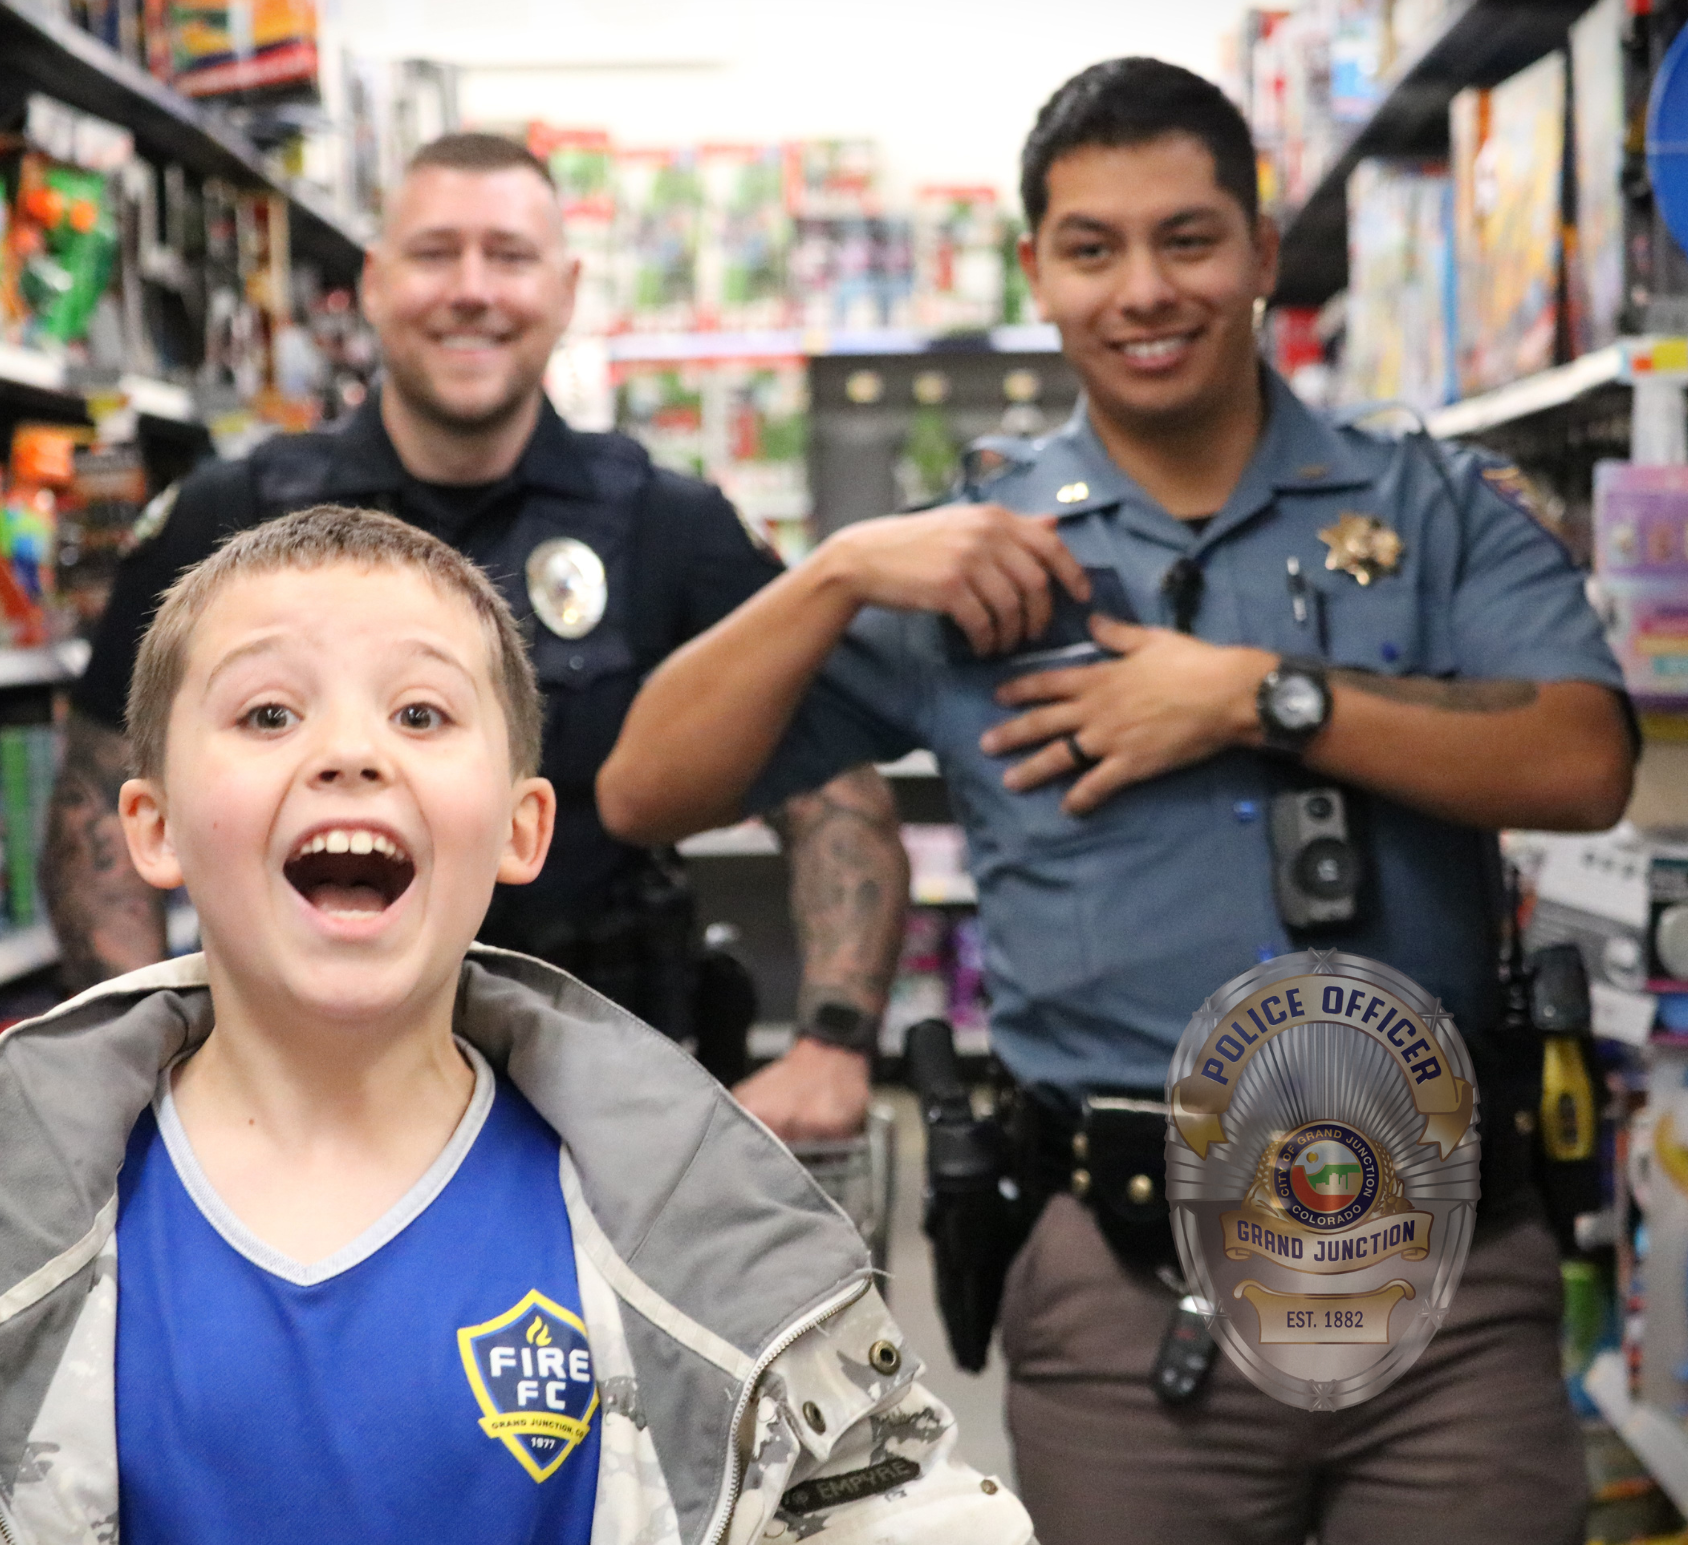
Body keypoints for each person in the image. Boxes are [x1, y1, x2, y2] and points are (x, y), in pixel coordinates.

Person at [596, 57, 1635, 1545]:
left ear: (1264, 251)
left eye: (1189, 238)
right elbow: (642, 787)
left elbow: (1583, 756)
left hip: (1449, 1288)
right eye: (1093, 248)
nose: (1144, 289)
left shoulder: (1430, 509)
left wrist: (1253, 698)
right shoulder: (977, 558)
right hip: (1128, 1296)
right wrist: (836, 570)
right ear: (1039, 271)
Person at [0, 506, 1028, 1545]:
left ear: (521, 828)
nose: (350, 752)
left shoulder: (697, 1231)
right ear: (149, 828)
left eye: (423, 712)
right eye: (270, 712)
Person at [45, 131, 903, 1141]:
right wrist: (135, 1056)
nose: (470, 289)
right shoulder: (230, 511)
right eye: (434, 253)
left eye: (507, 256)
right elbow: (98, 796)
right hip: (287, 1117)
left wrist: (835, 1043)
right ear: (373, 284)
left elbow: (832, 793)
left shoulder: (673, 528)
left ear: (566, 288)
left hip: (605, 1116)